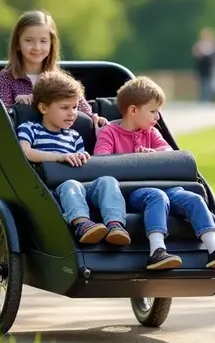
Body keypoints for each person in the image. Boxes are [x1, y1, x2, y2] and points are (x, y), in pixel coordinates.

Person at [94, 76, 215, 270]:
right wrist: (133, 159)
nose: (157, 117)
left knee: (193, 198)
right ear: (133, 110)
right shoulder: (110, 132)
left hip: (167, 186)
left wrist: (154, 154)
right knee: (157, 196)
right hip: (132, 191)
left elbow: (168, 152)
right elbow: (101, 161)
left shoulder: (151, 132)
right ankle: (157, 251)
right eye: (153, 111)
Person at [17, 69, 131, 246]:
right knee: (71, 185)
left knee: (107, 181)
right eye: (64, 108)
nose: (72, 113)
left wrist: (83, 157)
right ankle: (82, 224)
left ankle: (115, 225)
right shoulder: (30, 128)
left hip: (81, 185)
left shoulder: (74, 136)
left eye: (75, 107)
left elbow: (80, 164)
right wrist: (60, 157)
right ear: (43, 108)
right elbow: (26, 152)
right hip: (51, 190)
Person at [0, 9, 106, 129]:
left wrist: (94, 117)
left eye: (43, 41)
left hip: (60, 141)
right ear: (17, 44)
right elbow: (1, 118)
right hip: (23, 143)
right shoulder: (7, 78)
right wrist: (20, 105)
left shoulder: (58, 79)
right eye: (29, 41)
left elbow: (81, 106)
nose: (36, 47)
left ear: (51, 44)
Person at [191, 27, 215, 103]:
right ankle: (202, 99)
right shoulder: (199, 44)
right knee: (201, 83)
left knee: (208, 83)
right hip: (201, 67)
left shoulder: (213, 45)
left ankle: (207, 99)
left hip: (209, 68)